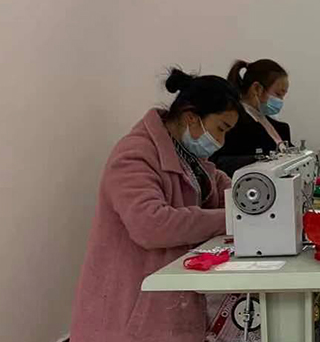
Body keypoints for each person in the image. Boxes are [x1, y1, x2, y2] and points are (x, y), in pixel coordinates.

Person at [70, 68, 239, 342]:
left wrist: (249, 200)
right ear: (191, 117)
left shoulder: (189, 157)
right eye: (221, 129)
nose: (221, 141)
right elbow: (151, 225)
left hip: (167, 302)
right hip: (130, 309)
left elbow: (220, 188)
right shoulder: (135, 155)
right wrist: (232, 217)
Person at [209, 59, 291, 176]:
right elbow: (219, 163)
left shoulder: (279, 127)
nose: (280, 101)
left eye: (283, 95)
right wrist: (258, 160)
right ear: (257, 88)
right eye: (278, 94)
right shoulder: (234, 125)